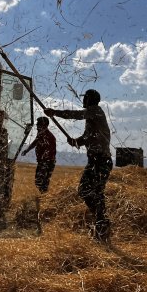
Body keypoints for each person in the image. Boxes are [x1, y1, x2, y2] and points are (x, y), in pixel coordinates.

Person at [45, 89, 112, 242]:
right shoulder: (94, 117)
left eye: (85, 98)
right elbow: (88, 137)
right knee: (89, 191)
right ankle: (101, 222)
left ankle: (102, 224)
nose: (83, 101)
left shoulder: (94, 110)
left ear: (89, 99)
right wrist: (77, 142)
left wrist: (55, 112)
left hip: (100, 161)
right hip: (97, 160)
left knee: (91, 191)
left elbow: (77, 115)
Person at [22, 116, 57, 193]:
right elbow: (35, 142)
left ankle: (43, 198)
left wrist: (43, 160)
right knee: (39, 182)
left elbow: (50, 151)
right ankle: (43, 196)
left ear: (43, 125)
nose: (37, 126)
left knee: (41, 182)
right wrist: (27, 150)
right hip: (43, 162)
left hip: (47, 162)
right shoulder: (41, 134)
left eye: (38, 124)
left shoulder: (49, 137)